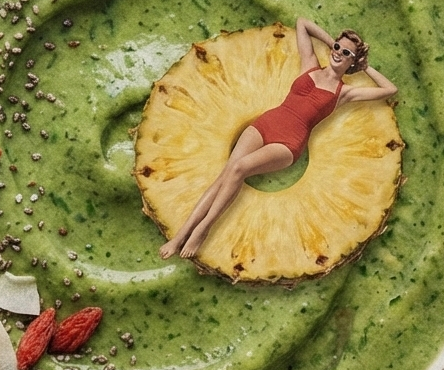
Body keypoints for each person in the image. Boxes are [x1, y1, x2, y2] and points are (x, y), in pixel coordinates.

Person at [160, 18, 397, 261]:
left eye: (346, 53)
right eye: (337, 47)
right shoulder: (310, 65)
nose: (338, 53)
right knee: (225, 173)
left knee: (239, 168)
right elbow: (303, 24)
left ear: (352, 60)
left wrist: (363, 65)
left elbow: (390, 89)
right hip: (267, 122)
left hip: (288, 142)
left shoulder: (345, 92)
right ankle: (180, 237)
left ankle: (203, 228)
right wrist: (332, 44)